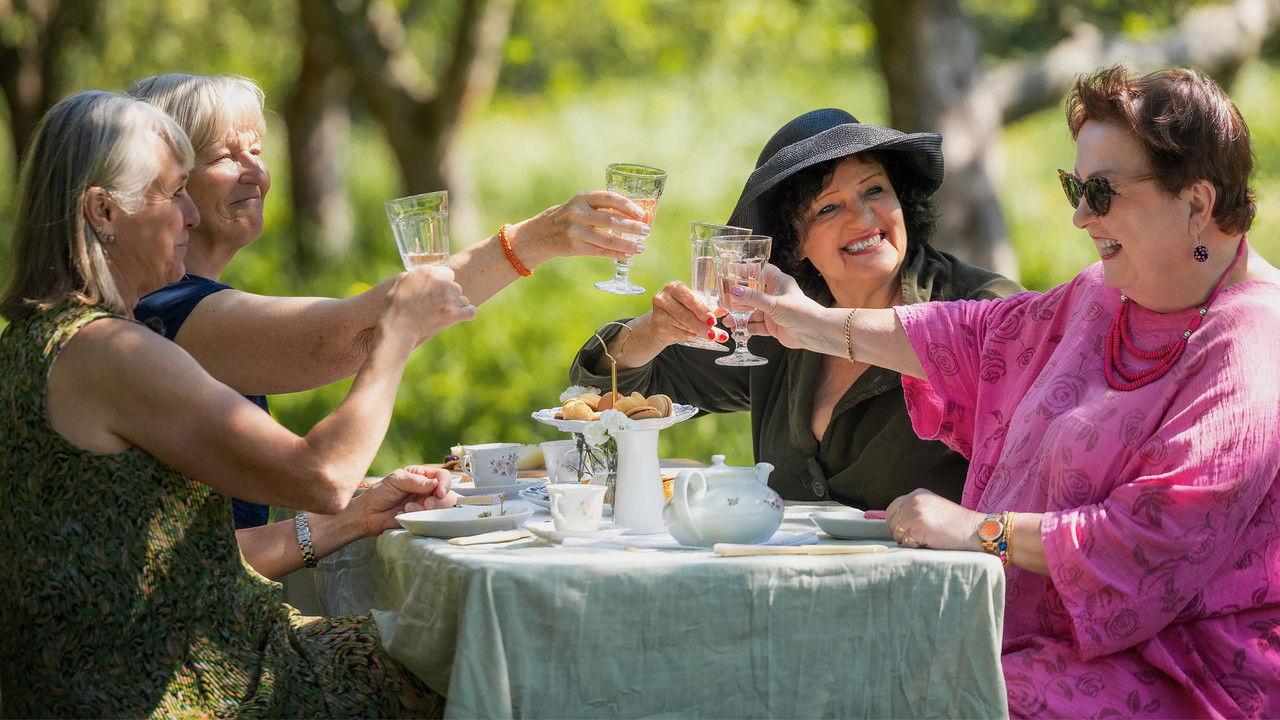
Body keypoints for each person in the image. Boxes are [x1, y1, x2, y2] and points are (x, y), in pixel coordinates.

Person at [729, 66, 1280, 717]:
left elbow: (1146, 546)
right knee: (783, 660)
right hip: (1030, 638)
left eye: (1101, 193)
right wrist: (810, 324)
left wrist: (980, 530)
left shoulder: (1252, 352)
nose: (1078, 216)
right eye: (1074, 186)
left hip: (1177, 670)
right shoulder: (1104, 295)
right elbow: (975, 337)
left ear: (1196, 203)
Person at [0, 90, 469, 716]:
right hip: (182, 693)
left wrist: (353, 521)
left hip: (92, 684)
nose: (191, 216)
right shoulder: (111, 352)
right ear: (103, 210)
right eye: (171, 194)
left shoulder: (31, 342)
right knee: (475, 652)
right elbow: (323, 475)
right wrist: (396, 337)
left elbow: (150, 564)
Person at [126, 73, 652, 528]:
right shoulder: (165, 310)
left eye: (258, 151)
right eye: (224, 155)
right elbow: (343, 337)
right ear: (163, 180)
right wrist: (532, 241)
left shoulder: (175, 303)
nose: (257, 174)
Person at [569, 109, 1021, 508]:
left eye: (875, 190)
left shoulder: (984, 307)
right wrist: (655, 330)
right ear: (793, 242)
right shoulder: (776, 321)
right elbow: (613, 392)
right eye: (828, 209)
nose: (863, 218)